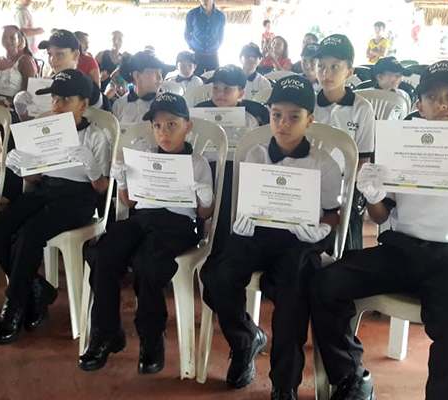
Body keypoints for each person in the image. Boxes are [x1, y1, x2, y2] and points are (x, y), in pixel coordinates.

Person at [309, 60, 448, 400]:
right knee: (324, 283)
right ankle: (351, 376)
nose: (441, 105)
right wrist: (373, 194)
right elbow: (381, 216)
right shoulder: (403, 147)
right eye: (432, 97)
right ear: (419, 105)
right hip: (400, 250)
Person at [201, 75, 341, 400]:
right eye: (277, 115)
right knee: (216, 275)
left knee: (294, 292)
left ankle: (284, 382)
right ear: (269, 115)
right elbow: (247, 202)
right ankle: (245, 339)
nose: (284, 124)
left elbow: (333, 213)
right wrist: (242, 220)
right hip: (258, 234)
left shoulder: (324, 164)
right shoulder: (255, 155)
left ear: (310, 119)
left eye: (294, 116)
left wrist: (321, 227)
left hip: (299, 241)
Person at [78, 93, 214, 374]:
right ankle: (106, 332)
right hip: (142, 220)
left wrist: (206, 198)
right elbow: (130, 203)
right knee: (102, 253)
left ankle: (151, 338)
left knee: (148, 266)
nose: (164, 132)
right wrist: (123, 181)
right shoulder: (145, 158)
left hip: (177, 226)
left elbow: (203, 214)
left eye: (172, 124)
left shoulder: (197, 163)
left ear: (188, 126)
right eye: (157, 126)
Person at [0, 69, 111, 345]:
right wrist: (21, 166)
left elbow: (102, 188)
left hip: (78, 199)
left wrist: (91, 168)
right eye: (54, 99)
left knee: (29, 234)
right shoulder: (45, 130)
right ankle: (37, 288)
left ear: (83, 104)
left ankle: (14, 305)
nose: (57, 106)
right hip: (45, 191)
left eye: (65, 100)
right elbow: (35, 178)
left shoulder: (95, 137)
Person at [195, 64, 269, 253]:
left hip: (235, 169)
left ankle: (221, 246)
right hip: (205, 166)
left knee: (229, 186)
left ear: (241, 92)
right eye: (216, 88)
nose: (220, 94)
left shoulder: (250, 118)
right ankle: (198, 237)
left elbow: (257, 151)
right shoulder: (200, 115)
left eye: (227, 89)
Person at [314, 34, 375, 251]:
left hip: (347, 182)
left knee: (346, 242)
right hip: (310, 181)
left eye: (335, 67)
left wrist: (343, 190)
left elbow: (363, 160)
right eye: (321, 66)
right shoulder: (308, 105)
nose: (326, 73)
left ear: (349, 71)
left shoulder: (362, 108)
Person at [0, 25, 37, 111]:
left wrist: (6, 103)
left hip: (14, 109)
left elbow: (28, 90)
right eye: (4, 37)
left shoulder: (25, 61)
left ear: (19, 41)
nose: (8, 41)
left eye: (12, 38)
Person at [111, 51, 163, 124]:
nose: (160, 77)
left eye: (160, 72)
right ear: (137, 76)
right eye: (154, 72)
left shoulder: (165, 104)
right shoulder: (119, 105)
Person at [184, 0, 226, 75]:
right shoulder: (192, 14)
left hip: (213, 56)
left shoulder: (220, 16)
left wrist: (215, 46)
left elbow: (221, 36)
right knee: (196, 80)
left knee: (214, 79)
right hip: (197, 56)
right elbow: (186, 34)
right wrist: (193, 46)